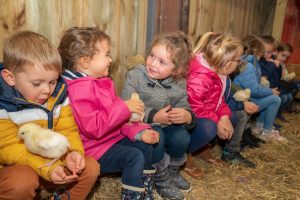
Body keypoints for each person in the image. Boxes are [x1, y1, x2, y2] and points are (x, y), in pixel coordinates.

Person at [58, 27, 159, 200]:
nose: (111, 59)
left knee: (145, 145)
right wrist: (124, 108)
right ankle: (133, 196)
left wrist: (139, 132)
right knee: (133, 156)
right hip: (93, 149)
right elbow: (94, 128)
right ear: (85, 61)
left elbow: (118, 122)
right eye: (106, 55)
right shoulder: (78, 90)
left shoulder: (100, 83)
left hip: (110, 140)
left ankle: (144, 191)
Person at [0, 31, 99, 200]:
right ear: (10, 78)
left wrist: (72, 152)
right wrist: (45, 169)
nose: (47, 90)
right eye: (37, 83)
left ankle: (60, 197)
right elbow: (8, 148)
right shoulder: (4, 106)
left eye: (53, 81)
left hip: (52, 162)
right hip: (19, 166)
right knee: (21, 181)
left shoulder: (58, 97)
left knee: (90, 167)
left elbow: (68, 130)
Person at [121, 31, 194, 200]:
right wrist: (153, 117)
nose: (153, 63)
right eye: (152, 56)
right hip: (141, 125)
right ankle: (159, 178)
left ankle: (172, 172)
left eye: (162, 62)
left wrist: (186, 116)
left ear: (176, 70)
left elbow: (185, 105)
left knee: (182, 137)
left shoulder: (179, 83)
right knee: (157, 136)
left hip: (167, 124)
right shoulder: (135, 75)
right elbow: (128, 106)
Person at [186, 32, 242, 176]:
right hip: (188, 115)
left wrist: (223, 117)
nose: (240, 62)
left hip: (203, 111)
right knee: (209, 128)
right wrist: (217, 122)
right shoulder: (201, 76)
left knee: (232, 118)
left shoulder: (218, 71)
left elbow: (217, 100)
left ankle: (203, 148)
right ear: (228, 62)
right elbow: (194, 106)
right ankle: (185, 154)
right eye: (238, 60)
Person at [233, 35, 286, 141]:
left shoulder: (251, 63)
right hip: (246, 100)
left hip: (247, 97)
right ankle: (267, 132)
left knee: (272, 96)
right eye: (261, 50)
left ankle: (259, 127)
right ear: (256, 50)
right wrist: (270, 90)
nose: (262, 53)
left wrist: (268, 89)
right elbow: (255, 91)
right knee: (275, 99)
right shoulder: (248, 66)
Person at [222, 77, 259, 168]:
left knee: (244, 110)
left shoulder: (224, 74)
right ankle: (231, 151)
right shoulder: (219, 71)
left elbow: (230, 89)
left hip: (221, 105)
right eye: (237, 61)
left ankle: (245, 135)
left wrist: (243, 101)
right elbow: (223, 97)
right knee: (241, 114)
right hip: (213, 109)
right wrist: (242, 104)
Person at [259, 36, 293, 122]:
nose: (284, 59)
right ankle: (268, 119)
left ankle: (276, 115)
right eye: (283, 55)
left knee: (289, 96)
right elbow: (265, 75)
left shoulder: (276, 62)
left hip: (273, 87)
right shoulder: (266, 61)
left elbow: (277, 78)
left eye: (286, 57)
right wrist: (273, 64)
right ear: (276, 52)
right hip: (267, 88)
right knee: (283, 98)